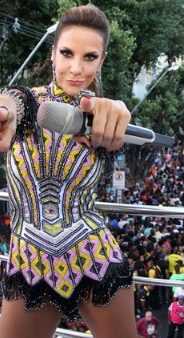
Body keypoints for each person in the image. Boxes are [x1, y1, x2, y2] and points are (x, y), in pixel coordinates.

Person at [0, 5, 136, 338]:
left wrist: (117, 110)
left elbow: (112, 113)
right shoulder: (30, 103)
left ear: (102, 61)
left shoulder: (102, 117)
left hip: (94, 255)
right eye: (67, 53)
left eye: (90, 57)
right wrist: (4, 108)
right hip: (28, 260)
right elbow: (13, 101)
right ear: (52, 54)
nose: (76, 68)